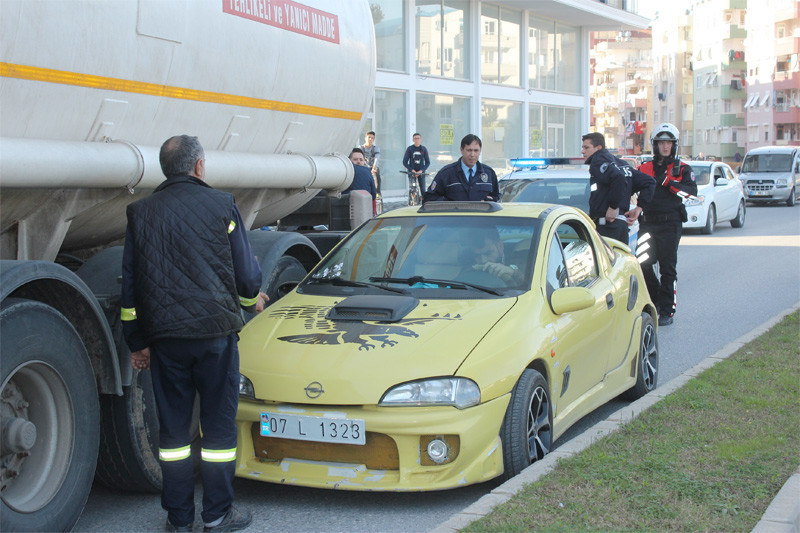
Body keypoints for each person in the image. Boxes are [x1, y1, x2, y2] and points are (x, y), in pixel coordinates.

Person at [121, 135, 266, 532]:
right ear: (199, 166)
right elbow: (247, 273)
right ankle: (218, 515)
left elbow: (130, 287)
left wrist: (137, 341)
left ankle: (179, 519)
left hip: (167, 341)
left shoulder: (140, 212)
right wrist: (249, 298)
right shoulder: (223, 205)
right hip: (216, 336)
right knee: (218, 429)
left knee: (174, 434)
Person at [637, 122, 698, 326]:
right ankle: (654, 300)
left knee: (667, 269)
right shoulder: (644, 168)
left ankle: (667, 311)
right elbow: (630, 188)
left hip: (670, 225)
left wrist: (669, 183)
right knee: (642, 263)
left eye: (669, 143)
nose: (665, 147)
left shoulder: (682, 168)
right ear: (655, 145)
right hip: (647, 224)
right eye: (661, 143)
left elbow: (691, 193)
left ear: (675, 145)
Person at [581, 133, 656, 244]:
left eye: (586, 147)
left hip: (607, 226)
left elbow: (618, 178)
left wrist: (612, 207)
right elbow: (649, 182)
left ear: (599, 148)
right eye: (583, 147)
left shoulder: (598, 160)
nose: (583, 151)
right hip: (620, 226)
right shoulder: (621, 164)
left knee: (605, 261)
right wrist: (639, 208)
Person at [422, 134, 499, 203]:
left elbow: (497, 198)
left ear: (480, 151)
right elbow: (429, 198)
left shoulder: (489, 173)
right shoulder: (446, 173)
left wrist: (490, 201)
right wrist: (449, 204)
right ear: (461, 150)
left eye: (476, 150)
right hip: (454, 218)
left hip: (480, 219)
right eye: (469, 150)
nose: (472, 154)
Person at [346, 148, 377, 215]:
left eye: (361, 159)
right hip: (365, 210)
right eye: (355, 159)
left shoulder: (367, 171)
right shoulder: (367, 171)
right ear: (349, 160)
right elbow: (373, 194)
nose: (358, 162)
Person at [360, 131, 381, 196]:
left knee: (377, 174)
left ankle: (377, 192)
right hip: (364, 167)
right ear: (365, 138)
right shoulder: (361, 148)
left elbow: (377, 158)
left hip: (372, 167)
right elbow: (359, 159)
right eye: (369, 137)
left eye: (372, 138)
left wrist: (374, 166)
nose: (370, 139)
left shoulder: (375, 148)